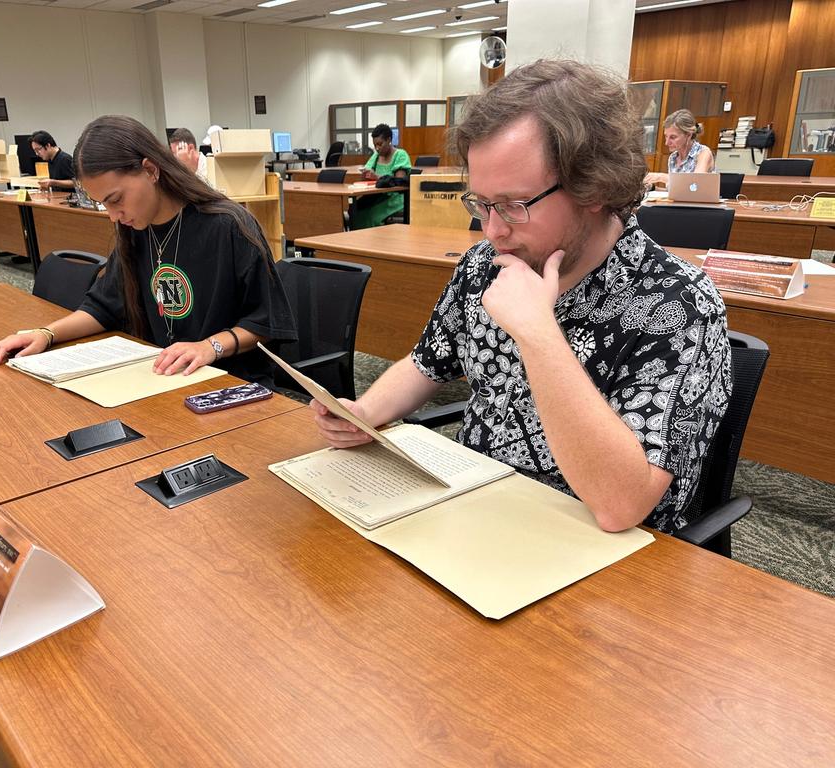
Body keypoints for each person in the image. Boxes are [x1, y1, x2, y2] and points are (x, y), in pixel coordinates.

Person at [312, 60, 732, 535]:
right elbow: (426, 362)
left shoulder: (677, 304)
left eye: (513, 205)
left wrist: (537, 331)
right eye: (481, 204)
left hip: (602, 552)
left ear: (593, 186)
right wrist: (365, 412)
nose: (493, 230)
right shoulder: (485, 265)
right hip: (475, 511)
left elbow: (622, 504)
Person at [0, 115, 296, 387]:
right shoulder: (136, 230)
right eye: (103, 204)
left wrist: (209, 347)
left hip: (231, 381)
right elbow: (103, 307)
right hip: (163, 377)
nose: (113, 215)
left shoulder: (228, 225)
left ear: (150, 170)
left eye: (116, 199)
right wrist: (45, 334)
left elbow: (265, 323)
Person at [352, 124, 413, 229]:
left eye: (380, 144)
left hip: (395, 199)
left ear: (389, 140)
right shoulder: (376, 156)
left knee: (371, 216)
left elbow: (399, 183)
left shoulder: (400, 155)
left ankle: (374, 243)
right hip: (378, 195)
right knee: (356, 212)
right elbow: (366, 174)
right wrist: (365, 175)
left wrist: (377, 177)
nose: (377, 148)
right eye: (375, 145)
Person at [644, 109, 715, 187]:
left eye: (673, 137)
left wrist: (661, 177)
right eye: (666, 136)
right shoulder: (673, 157)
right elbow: (677, 192)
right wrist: (654, 188)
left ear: (688, 135)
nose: (667, 143)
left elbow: (695, 184)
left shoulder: (703, 153)